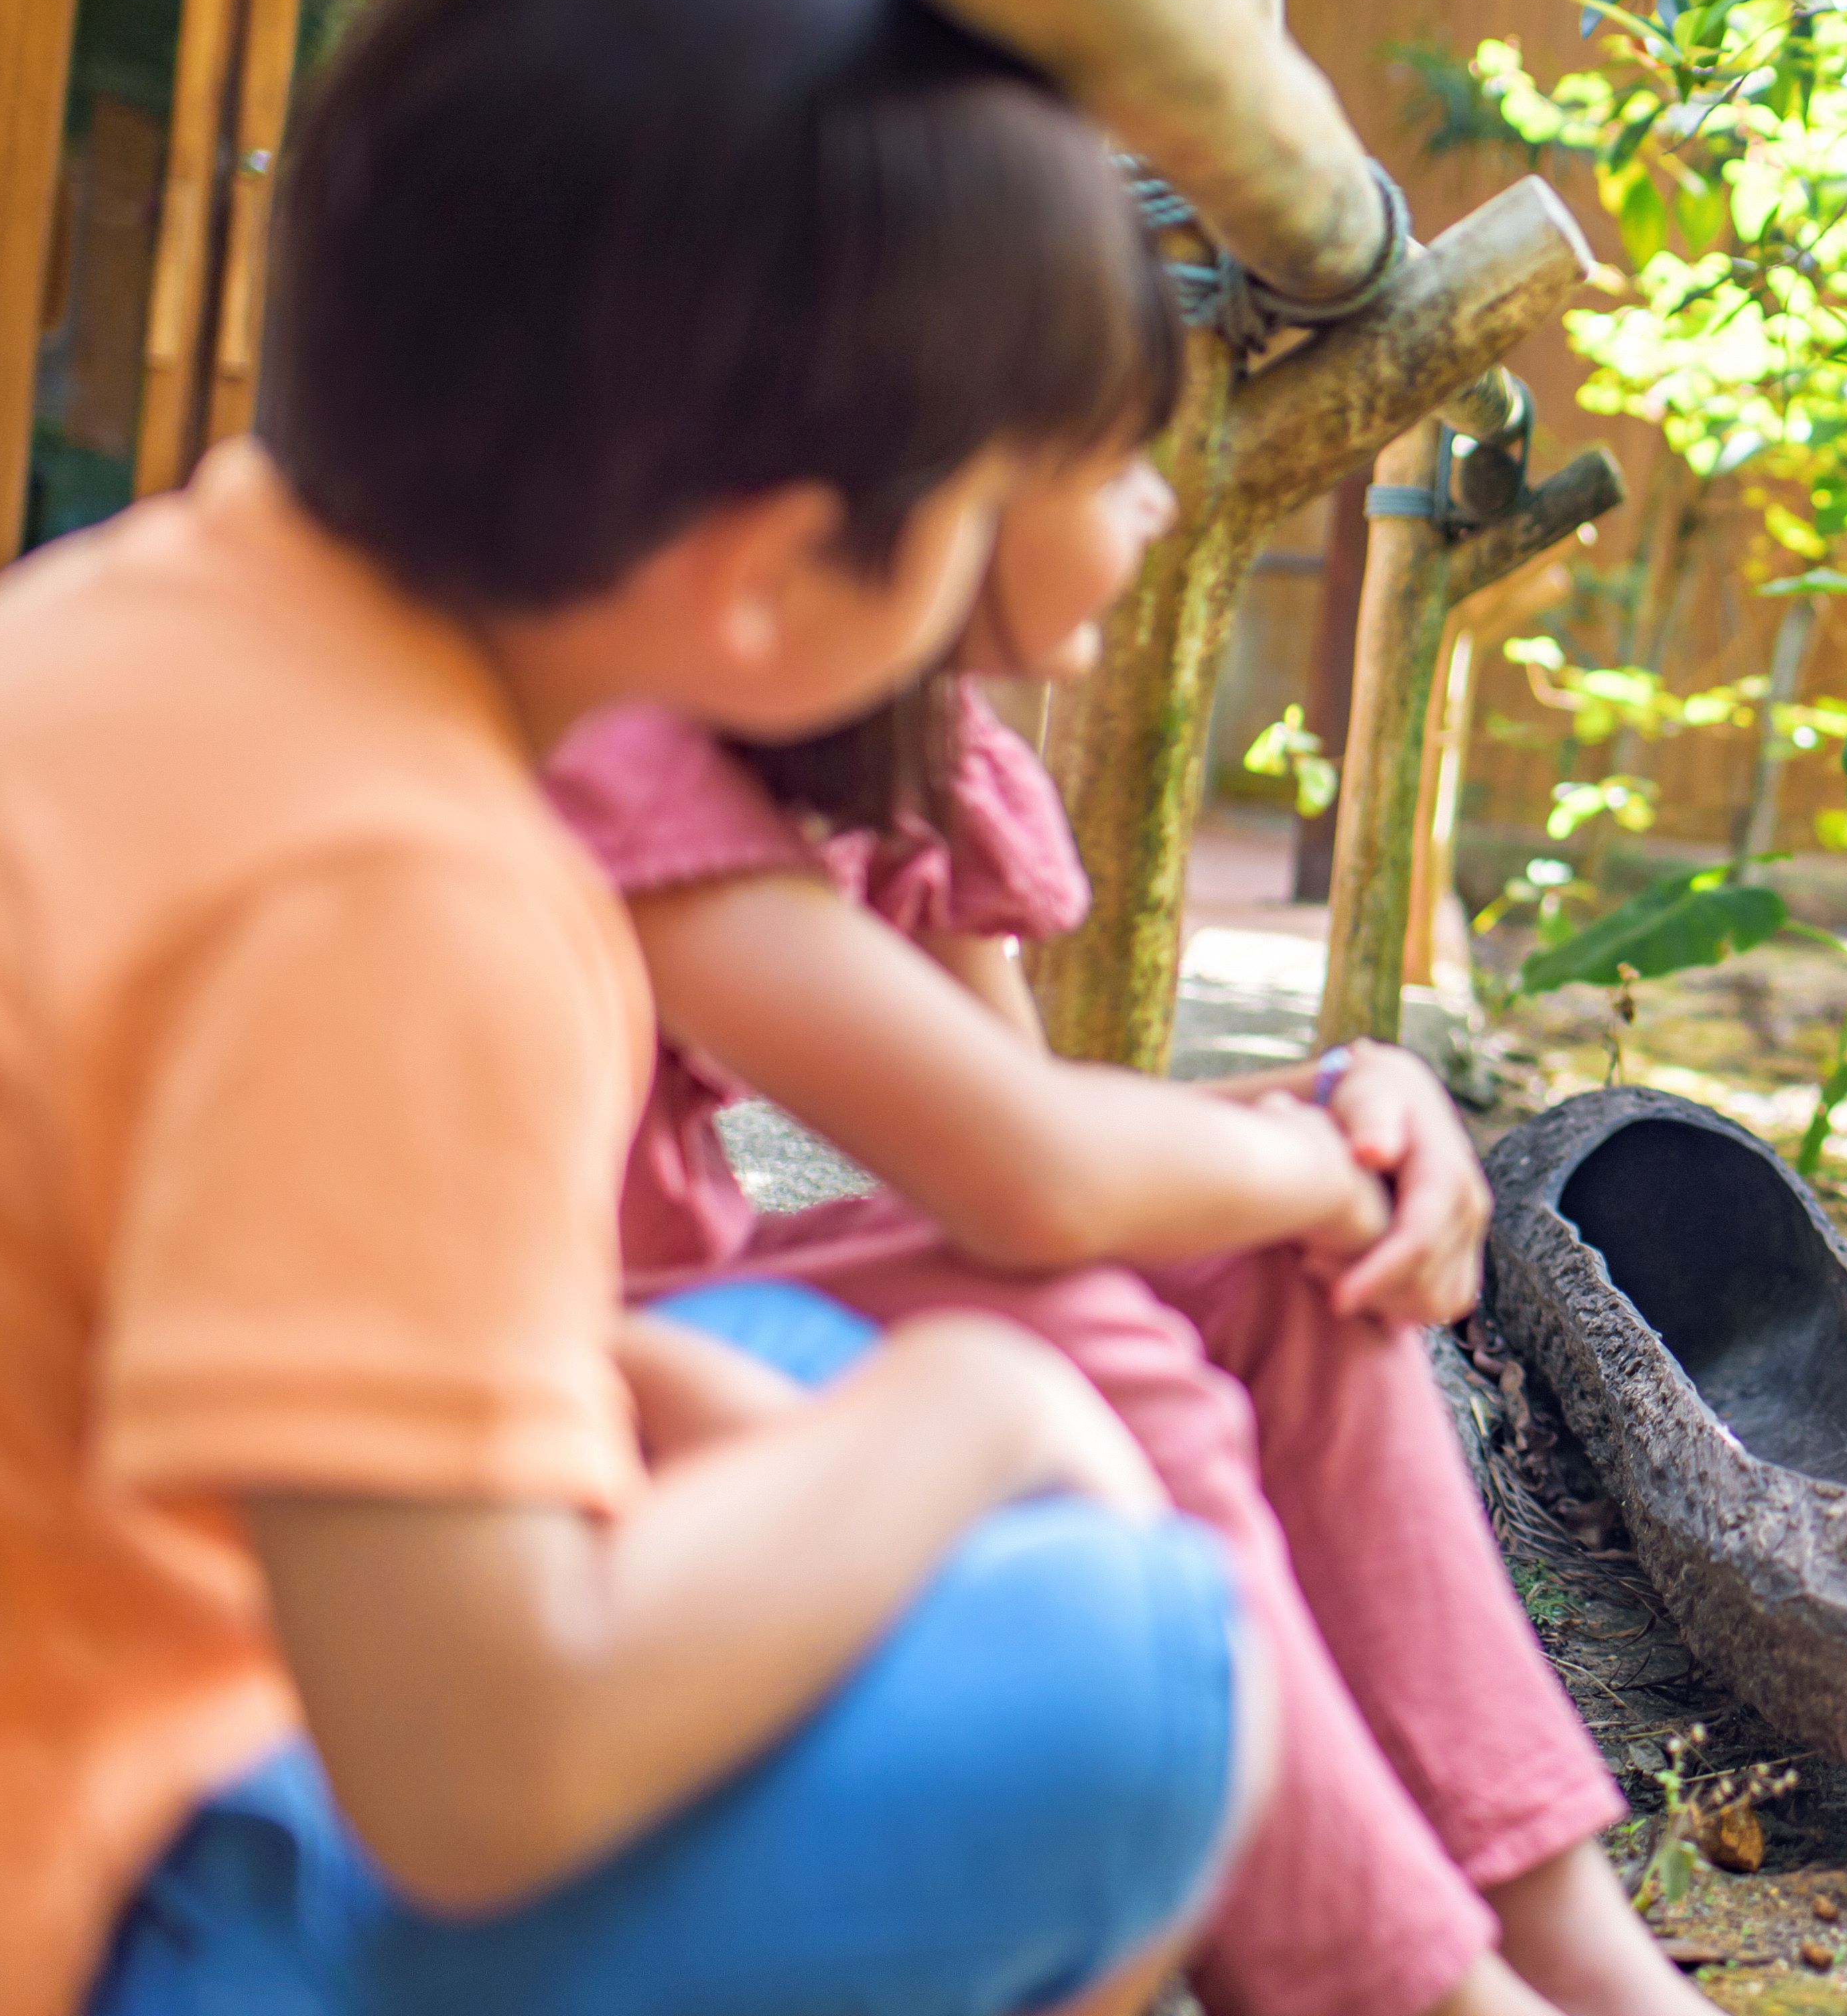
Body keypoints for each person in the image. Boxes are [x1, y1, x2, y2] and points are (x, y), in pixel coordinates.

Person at [0, 0, 1285, 2016]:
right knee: (1132, 1672)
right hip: (99, 1868)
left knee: (771, 1365)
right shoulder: (413, 900)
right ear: (780, 576)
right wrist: (971, 1401)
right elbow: (478, 1774)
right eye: (980, 500)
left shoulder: (140, 609)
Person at [541, 364, 1704, 2016]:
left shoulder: (886, 735)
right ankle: (1402, 1987)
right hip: (540, 1366)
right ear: (937, 482)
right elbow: (1027, 1182)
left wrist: (1350, 1108)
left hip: (692, 1305)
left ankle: (1565, 1941)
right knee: (1077, 1308)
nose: (1159, 502)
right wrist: (1307, 1151)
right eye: (1114, 461)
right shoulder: (638, 737)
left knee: (1276, 1258)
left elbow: (1045, 1123)